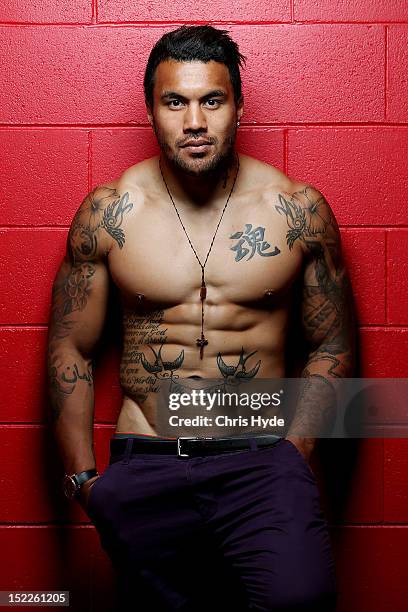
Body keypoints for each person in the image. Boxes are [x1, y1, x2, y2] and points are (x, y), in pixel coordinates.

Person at [47, 24, 356, 611]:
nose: (194, 120)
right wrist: (85, 482)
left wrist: (294, 453)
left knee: (302, 599)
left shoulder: (295, 210)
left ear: (238, 108)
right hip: (146, 463)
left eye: (212, 100)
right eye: (175, 102)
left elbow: (332, 344)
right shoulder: (111, 211)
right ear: (152, 111)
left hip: (260, 459)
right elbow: (71, 349)